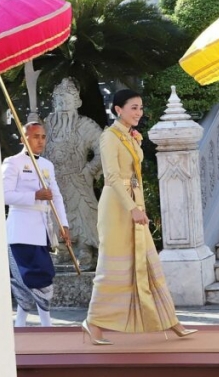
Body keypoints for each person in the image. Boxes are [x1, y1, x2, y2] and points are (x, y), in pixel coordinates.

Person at [83, 89, 196, 345]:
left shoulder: (131, 136)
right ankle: (93, 324)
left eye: (140, 108)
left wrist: (138, 203)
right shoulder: (109, 137)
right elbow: (111, 177)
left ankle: (171, 321)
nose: (139, 112)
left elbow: (135, 176)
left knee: (146, 260)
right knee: (112, 266)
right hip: (116, 207)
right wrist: (132, 207)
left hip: (133, 204)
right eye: (133, 107)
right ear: (118, 109)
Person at [2, 122, 70, 327]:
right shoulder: (12, 163)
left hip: (43, 229)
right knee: (32, 277)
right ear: (24, 139)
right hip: (21, 228)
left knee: (38, 276)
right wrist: (35, 195)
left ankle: (25, 324)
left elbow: (56, 196)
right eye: (35, 136)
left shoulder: (47, 165)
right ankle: (43, 324)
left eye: (42, 136)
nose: (40, 141)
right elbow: (4, 195)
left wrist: (64, 225)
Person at [44, 78, 103, 271]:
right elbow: (36, 149)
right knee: (54, 215)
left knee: (82, 214)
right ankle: (60, 249)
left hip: (77, 180)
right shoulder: (47, 124)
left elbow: (103, 149)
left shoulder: (86, 125)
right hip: (53, 181)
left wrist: (90, 170)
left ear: (77, 102)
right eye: (58, 99)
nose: (62, 103)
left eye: (67, 99)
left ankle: (84, 249)